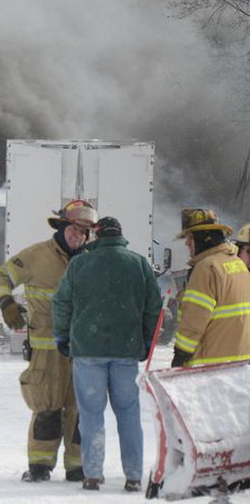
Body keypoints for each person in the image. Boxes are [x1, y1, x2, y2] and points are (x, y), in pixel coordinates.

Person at [0, 199, 98, 483]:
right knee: (47, 408)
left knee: (80, 411)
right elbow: (1, 275)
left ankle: (78, 468)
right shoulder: (37, 256)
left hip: (83, 349)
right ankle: (39, 467)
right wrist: (6, 302)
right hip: (47, 349)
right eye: (75, 229)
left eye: (85, 232)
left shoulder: (91, 260)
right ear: (62, 227)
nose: (80, 236)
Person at [52, 217, 162, 492]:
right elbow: (154, 307)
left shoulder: (79, 264)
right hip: (126, 351)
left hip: (88, 350)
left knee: (91, 415)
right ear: (120, 236)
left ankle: (92, 474)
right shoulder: (138, 263)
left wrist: (63, 336)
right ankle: (134, 476)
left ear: (97, 237)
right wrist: (147, 341)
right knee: (128, 414)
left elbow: (61, 303)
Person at [172, 209, 250, 368]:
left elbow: (194, 318)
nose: (187, 243)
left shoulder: (207, 267)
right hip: (239, 361)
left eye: (189, 238)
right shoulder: (237, 264)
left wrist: (181, 354)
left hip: (210, 364)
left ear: (203, 239)